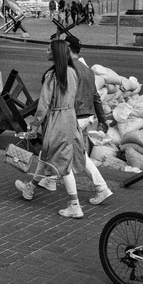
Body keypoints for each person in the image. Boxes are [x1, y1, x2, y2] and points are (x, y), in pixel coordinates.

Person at [15, 39, 85, 219]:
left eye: (48, 49)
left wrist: (34, 125)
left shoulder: (52, 76)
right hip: (70, 119)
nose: (46, 52)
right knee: (48, 158)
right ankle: (30, 188)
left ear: (56, 54)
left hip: (56, 120)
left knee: (62, 164)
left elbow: (43, 105)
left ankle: (75, 204)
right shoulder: (72, 72)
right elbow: (76, 98)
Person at [66, 37, 112, 205]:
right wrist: (102, 119)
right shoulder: (87, 70)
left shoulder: (69, 69)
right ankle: (41, 182)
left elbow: (67, 98)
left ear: (68, 48)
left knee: (69, 154)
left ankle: (101, 188)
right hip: (86, 117)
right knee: (68, 152)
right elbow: (96, 97)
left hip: (74, 118)